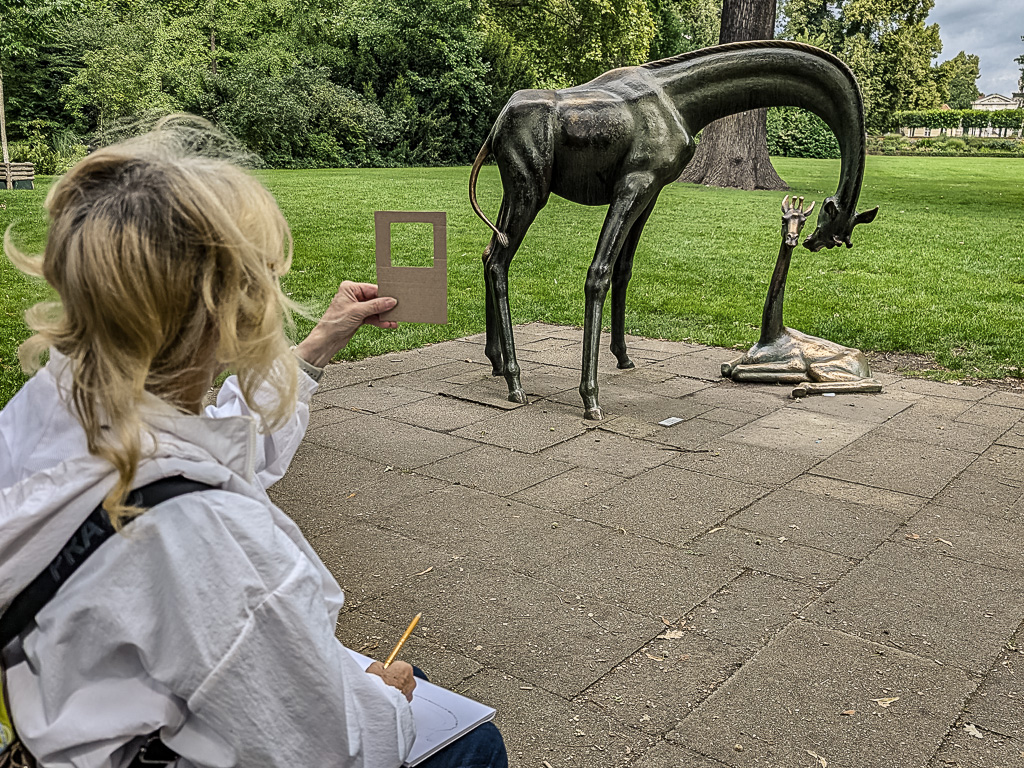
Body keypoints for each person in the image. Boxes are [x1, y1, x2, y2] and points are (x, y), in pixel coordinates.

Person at [0, 123, 507, 767]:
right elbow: (338, 748)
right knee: (472, 743)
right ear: (228, 307)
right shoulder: (208, 539)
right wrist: (383, 697)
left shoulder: (49, 407)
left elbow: (211, 447)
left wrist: (318, 344)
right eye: (263, 277)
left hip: (50, 713)